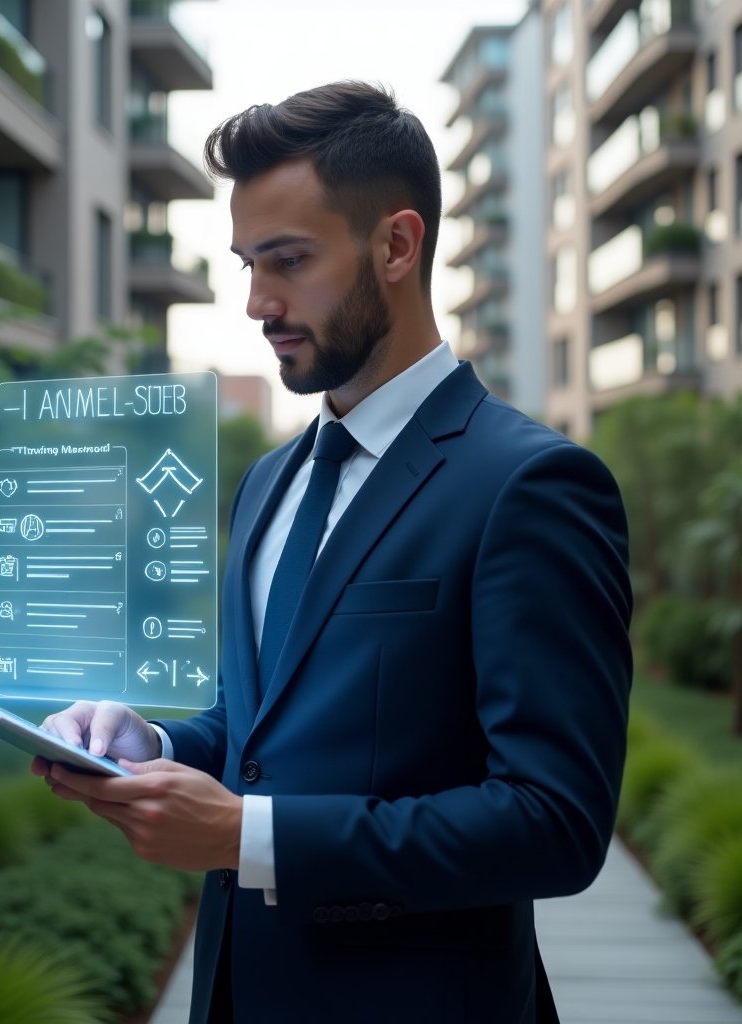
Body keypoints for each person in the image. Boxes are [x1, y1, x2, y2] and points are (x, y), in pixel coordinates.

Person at [32, 81, 632, 1024]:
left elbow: (554, 823)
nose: (257, 302)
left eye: (289, 260)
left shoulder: (533, 485)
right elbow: (260, 736)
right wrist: (151, 745)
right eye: (247, 264)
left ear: (397, 246)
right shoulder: (268, 483)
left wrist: (248, 837)